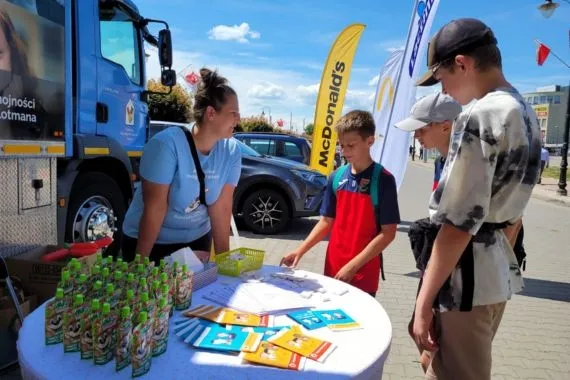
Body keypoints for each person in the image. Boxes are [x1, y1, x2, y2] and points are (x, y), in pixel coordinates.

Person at [410, 18, 541, 380]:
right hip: (495, 274)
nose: (444, 89)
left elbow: (457, 223)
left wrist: (423, 303)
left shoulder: (480, 114)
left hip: (464, 284)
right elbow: (514, 219)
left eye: (441, 76)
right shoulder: (523, 111)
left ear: (463, 63)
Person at [121, 68, 242, 264]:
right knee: (151, 294)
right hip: (151, 243)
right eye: (233, 113)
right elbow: (155, 207)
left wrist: (223, 265)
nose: (238, 119)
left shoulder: (231, 151)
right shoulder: (166, 145)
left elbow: (222, 206)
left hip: (196, 241)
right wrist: (139, 264)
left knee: (199, 294)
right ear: (211, 113)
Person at [280, 110, 400, 297]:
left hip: (363, 274)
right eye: (341, 145)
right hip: (333, 269)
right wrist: (300, 251)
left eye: (351, 145)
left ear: (370, 141)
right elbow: (326, 221)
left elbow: (388, 233)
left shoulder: (383, 180)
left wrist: (353, 266)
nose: (344, 151)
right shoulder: (336, 177)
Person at [394, 92, 462, 373]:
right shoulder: (442, 161)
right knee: (419, 333)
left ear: (445, 126)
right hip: (436, 266)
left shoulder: (465, 165)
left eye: (422, 128)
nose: (417, 136)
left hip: (457, 276)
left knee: (433, 347)